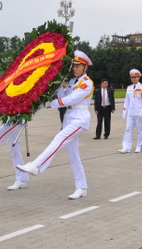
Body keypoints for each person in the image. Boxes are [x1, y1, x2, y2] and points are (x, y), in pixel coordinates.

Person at [16, 50, 94, 200]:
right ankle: (82, 187)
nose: (75, 68)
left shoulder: (87, 83)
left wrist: (47, 104)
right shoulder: (71, 81)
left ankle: (36, 165)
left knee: (59, 138)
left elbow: (69, 100)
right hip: (69, 118)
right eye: (74, 66)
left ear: (85, 68)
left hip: (80, 118)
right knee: (73, 156)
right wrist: (59, 85)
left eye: (78, 66)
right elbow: (63, 97)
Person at [119, 69, 142, 153]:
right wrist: (125, 112)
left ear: (139, 77)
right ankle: (126, 147)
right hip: (131, 112)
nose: (133, 79)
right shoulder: (129, 88)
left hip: (139, 112)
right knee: (128, 129)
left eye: (135, 77)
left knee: (140, 130)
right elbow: (127, 101)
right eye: (132, 77)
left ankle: (139, 146)